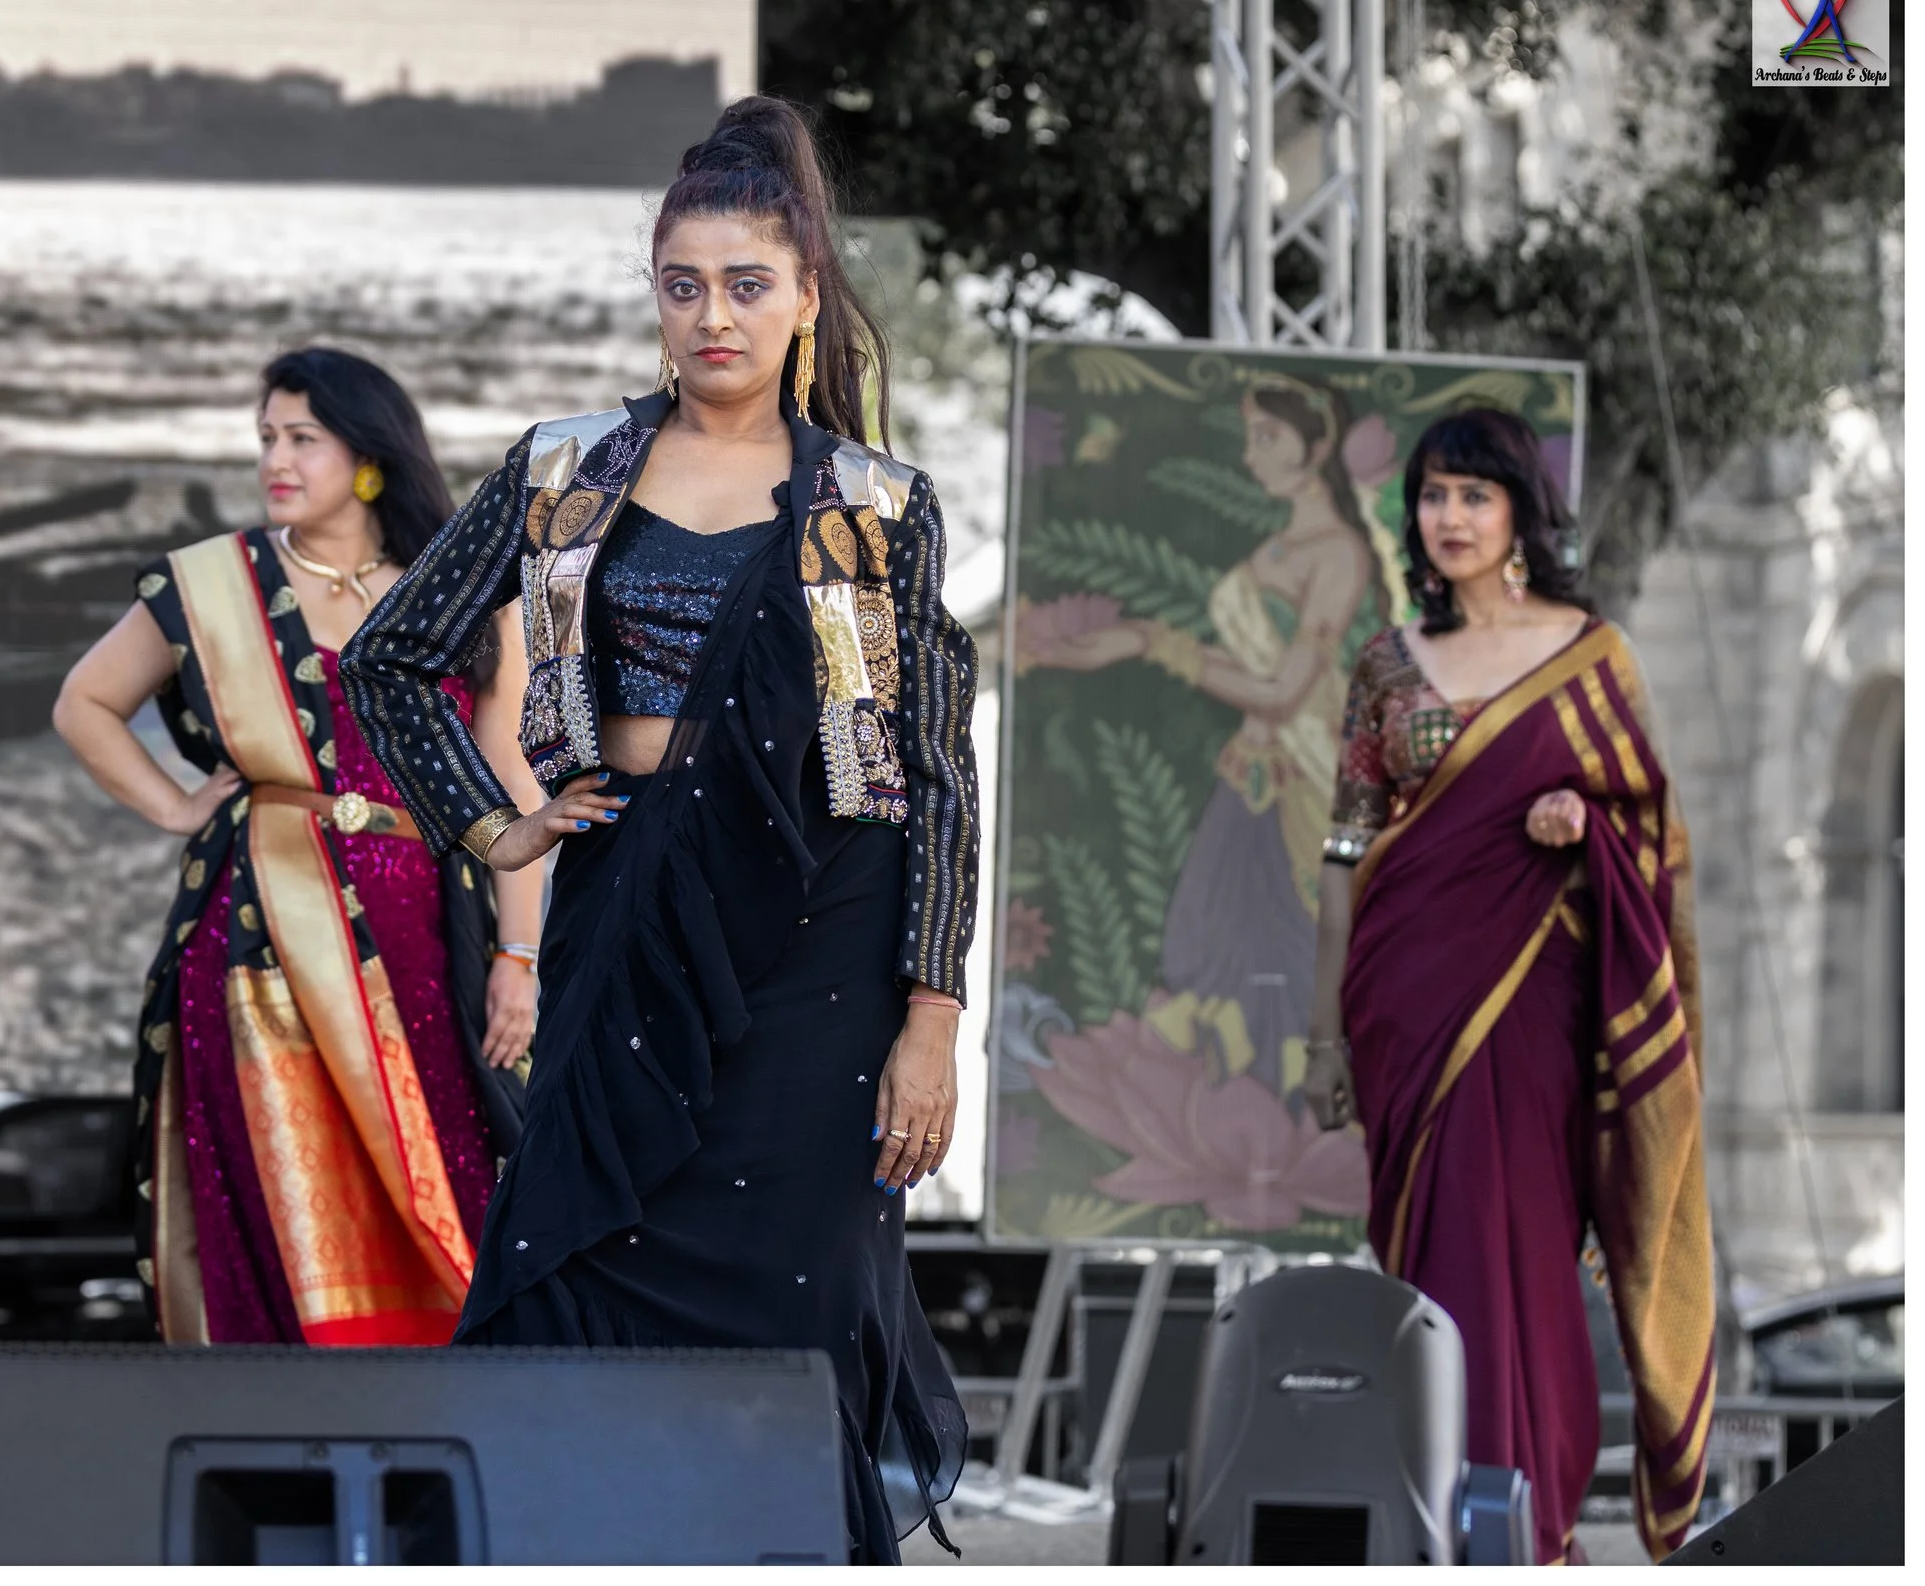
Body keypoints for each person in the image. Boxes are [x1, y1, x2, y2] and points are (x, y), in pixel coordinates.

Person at [342, 96, 977, 1563]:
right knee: (565, 1265)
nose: (713, 315)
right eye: (682, 284)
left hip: (826, 938)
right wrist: (495, 828)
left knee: (798, 1303)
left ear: (808, 294)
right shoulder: (567, 466)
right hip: (627, 916)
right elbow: (390, 653)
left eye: (748, 284)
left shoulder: (877, 506)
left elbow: (935, 772)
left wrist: (932, 1019)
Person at [54, 347, 549, 1347]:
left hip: (428, 943)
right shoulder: (214, 585)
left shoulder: (463, 593)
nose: (276, 459)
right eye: (266, 439)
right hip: (256, 939)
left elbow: (514, 789)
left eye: (302, 439)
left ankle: (434, 1427)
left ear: (368, 457)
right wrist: (175, 804)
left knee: (443, 1179)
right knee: (279, 1189)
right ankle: (275, 1430)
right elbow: (85, 702)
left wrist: (519, 957)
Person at [1302, 408, 1714, 1563]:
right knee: (1430, 1257)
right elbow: (1345, 855)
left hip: (1534, 1006)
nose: (1450, 518)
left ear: (1521, 513)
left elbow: (1651, 835)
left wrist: (1586, 822)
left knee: (1523, 1245)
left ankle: (1524, 1518)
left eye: (1475, 496)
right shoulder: (1386, 661)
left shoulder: (1590, 655)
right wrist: (1324, 1037)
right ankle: (1431, 1511)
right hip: (1403, 1010)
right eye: (1433, 495)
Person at [1016, 374, 1379, 1098]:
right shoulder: (1279, 546)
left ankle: (1280, 1126)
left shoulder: (1338, 554)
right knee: (1209, 946)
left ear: (1317, 447)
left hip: (1300, 782)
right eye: (1250, 436)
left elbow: (1283, 694)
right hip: (1249, 772)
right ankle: (1233, 1111)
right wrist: (1136, 638)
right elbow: (1253, 670)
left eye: (1268, 438)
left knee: (1277, 955)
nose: (1252, 455)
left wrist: (1157, 645)